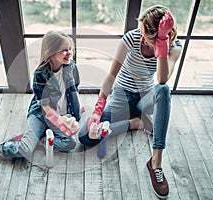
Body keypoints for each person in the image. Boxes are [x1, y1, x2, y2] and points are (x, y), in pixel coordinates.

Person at [78, 5, 182, 199]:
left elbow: (162, 79)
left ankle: (156, 163)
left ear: (158, 37)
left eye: (144, 34)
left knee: (163, 89)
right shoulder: (131, 38)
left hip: (147, 97)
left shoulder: (173, 48)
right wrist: (97, 110)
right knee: (85, 136)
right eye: (140, 30)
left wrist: (161, 45)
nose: (140, 37)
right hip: (122, 96)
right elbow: (111, 75)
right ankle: (134, 123)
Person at [0, 30, 81, 168]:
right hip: (41, 114)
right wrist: (59, 121)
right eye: (64, 50)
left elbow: (74, 87)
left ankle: (39, 140)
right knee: (25, 149)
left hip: (59, 114)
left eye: (70, 49)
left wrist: (72, 109)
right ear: (51, 52)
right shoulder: (40, 74)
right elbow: (45, 106)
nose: (69, 53)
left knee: (70, 143)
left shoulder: (71, 66)